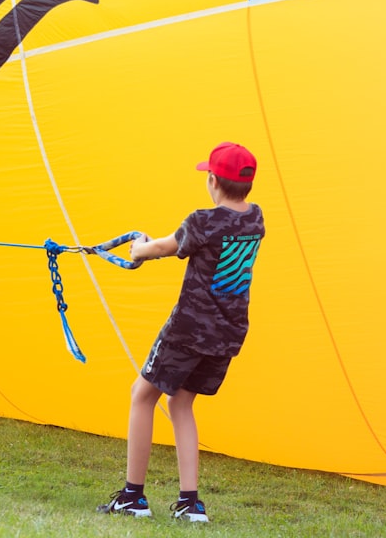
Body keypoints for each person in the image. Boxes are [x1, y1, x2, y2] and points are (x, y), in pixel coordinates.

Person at [97, 142, 265, 523]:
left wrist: (138, 250)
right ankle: (190, 504)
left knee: (141, 395)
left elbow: (163, 248)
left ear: (212, 180)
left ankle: (132, 497)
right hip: (228, 333)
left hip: (190, 329)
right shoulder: (256, 219)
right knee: (180, 403)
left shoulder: (202, 221)